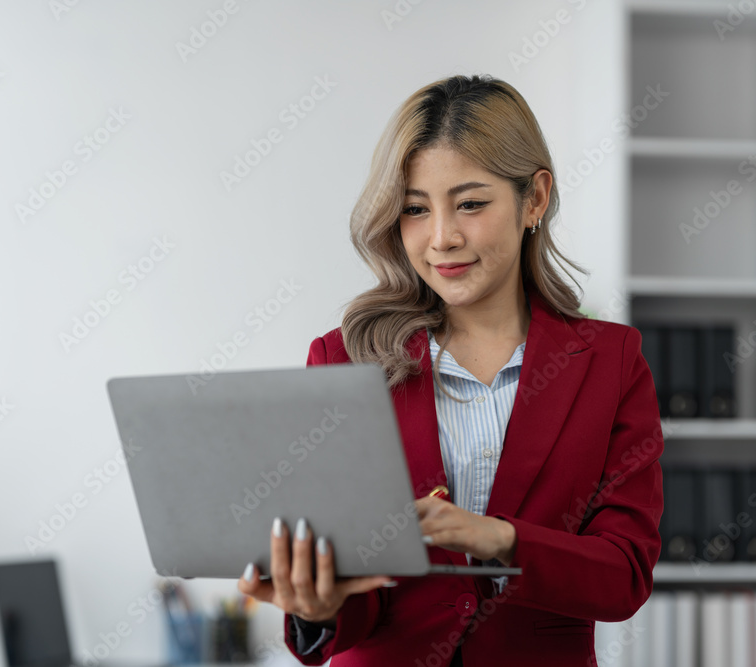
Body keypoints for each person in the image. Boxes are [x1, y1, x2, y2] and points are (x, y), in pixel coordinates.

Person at [236, 73, 664, 666]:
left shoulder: (611, 363)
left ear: (534, 199)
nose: (442, 238)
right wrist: (318, 606)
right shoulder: (343, 358)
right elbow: (355, 596)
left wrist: (501, 539)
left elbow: (622, 575)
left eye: (470, 203)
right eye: (415, 209)